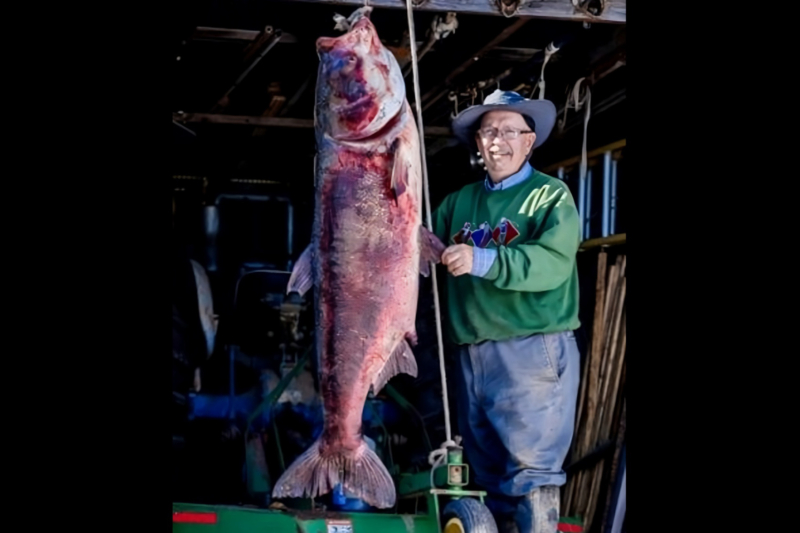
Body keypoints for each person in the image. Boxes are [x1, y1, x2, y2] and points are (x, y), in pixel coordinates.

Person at [431, 90, 582, 533]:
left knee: (532, 475)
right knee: (488, 478)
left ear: (529, 141)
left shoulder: (550, 196)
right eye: (489, 131)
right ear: (478, 142)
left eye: (509, 131)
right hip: (472, 353)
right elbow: (418, 252)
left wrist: (482, 260)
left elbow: (553, 263)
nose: (497, 141)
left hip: (531, 350)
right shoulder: (457, 203)